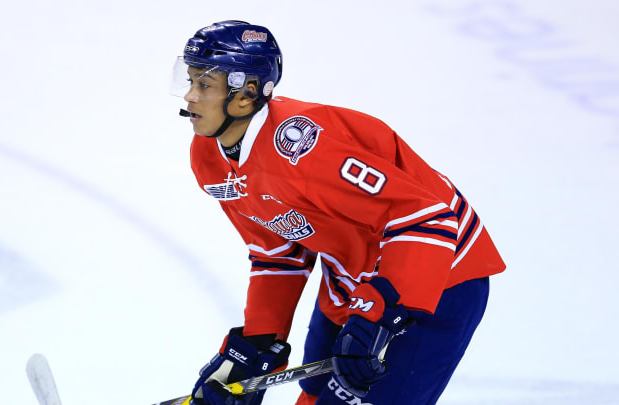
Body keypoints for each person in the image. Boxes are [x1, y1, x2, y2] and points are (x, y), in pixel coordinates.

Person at [170, 20, 505, 405]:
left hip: (439, 274)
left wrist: (381, 312)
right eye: (190, 80)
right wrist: (260, 341)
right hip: (353, 273)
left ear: (246, 94)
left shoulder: (304, 149)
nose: (189, 96)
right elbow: (277, 249)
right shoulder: (209, 157)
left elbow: (428, 216)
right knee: (315, 396)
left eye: (204, 85)